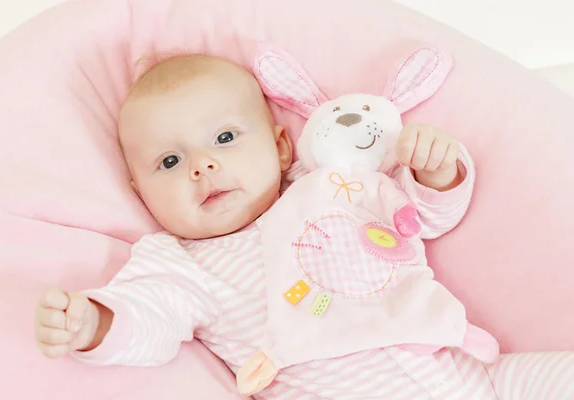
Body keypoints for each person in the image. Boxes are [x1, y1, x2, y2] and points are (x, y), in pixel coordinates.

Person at [34, 54, 574, 399]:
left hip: (475, 375)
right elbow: (148, 320)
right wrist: (95, 324)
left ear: (280, 145)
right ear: (142, 194)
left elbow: (424, 216)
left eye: (224, 139)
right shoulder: (178, 262)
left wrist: (436, 169)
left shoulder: (335, 185)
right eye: (170, 163)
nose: (202, 165)